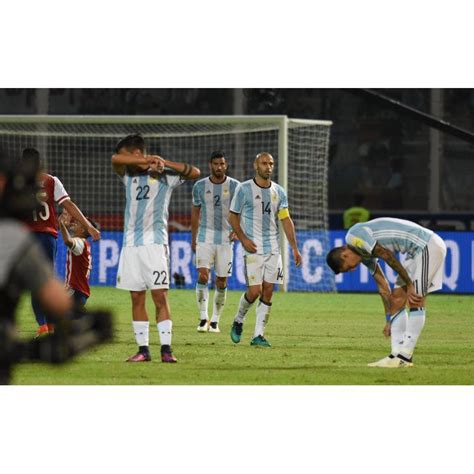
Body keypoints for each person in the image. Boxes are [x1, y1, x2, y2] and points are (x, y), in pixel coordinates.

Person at [112, 134, 200, 363]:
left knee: (159, 296)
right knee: (136, 297)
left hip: (155, 243)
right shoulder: (127, 175)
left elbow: (195, 173)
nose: (123, 158)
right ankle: (143, 350)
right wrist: (145, 160)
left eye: (126, 153)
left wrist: (165, 162)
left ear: (135, 153)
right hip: (130, 244)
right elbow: (115, 159)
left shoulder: (165, 177)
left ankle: (166, 350)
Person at [326, 217, 447, 368]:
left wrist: (409, 284)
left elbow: (386, 255)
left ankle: (405, 357)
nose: (353, 269)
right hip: (415, 252)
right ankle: (395, 356)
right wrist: (388, 319)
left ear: (344, 255)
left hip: (427, 246)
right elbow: (383, 286)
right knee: (396, 299)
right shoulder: (363, 254)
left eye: (348, 267)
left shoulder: (354, 236)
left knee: (415, 299)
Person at [0, 148, 72, 384]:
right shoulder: (13, 238)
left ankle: (43, 325)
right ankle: (46, 326)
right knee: (41, 283)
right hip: (42, 235)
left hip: (35, 233)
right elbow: (58, 298)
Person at [22, 148, 101, 337]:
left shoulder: (16, 182)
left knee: (34, 283)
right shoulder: (51, 180)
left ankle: (43, 326)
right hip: (48, 237)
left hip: (28, 237)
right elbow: (69, 205)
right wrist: (88, 227)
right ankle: (51, 325)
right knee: (47, 280)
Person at [228, 152, 302, 347]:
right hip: (252, 248)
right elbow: (233, 216)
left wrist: (294, 248)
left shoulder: (279, 191)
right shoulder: (243, 189)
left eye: (271, 164)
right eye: (264, 163)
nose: (268, 167)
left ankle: (258, 335)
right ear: (256, 165)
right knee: (254, 291)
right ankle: (238, 319)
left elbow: (286, 220)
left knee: (268, 291)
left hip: (273, 249)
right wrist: (243, 238)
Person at [191, 151, 240, 333]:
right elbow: (195, 212)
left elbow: (243, 210)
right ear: (210, 165)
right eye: (215, 164)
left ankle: (215, 321)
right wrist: (193, 237)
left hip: (226, 238)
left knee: (221, 280)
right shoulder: (199, 186)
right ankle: (203, 318)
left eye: (222, 164)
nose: (219, 167)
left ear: (226, 166)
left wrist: (237, 230)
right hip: (205, 236)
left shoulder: (235, 186)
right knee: (203, 275)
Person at [59, 209, 99, 310]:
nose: (75, 221)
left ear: (82, 230)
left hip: (75, 292)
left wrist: (61, 224)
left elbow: (68, 241)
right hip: (79, 292)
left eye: (79, 223)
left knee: (54, 314)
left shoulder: (80, 242)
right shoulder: (84, 243)